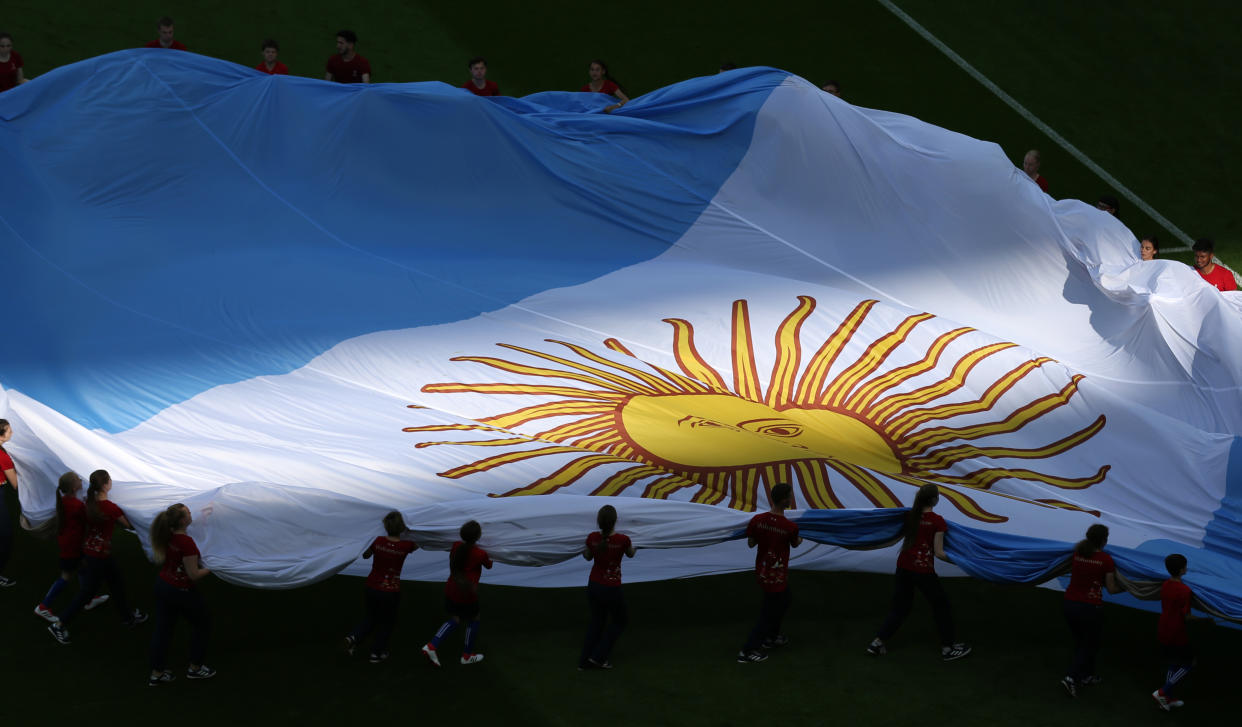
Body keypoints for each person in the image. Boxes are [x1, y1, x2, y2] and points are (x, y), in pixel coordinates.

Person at [867, 484, 971, 662]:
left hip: (904, 567)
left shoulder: (910, 516)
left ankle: (876, 643)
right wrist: (964, 562)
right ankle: (948, 648)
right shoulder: (938, 521)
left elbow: (893, 539)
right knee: (941, 606)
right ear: (934, 500)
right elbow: (939, 553)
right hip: (923, 571)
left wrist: (862, 545)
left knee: (900, 608)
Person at [48, 469, 148, 644]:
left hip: (93, 552)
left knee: (116, 583)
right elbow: (130, 526)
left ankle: (128, 617)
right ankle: (59, 624)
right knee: (88, 593)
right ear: (105, 485)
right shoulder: (110, 508)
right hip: (99, 556)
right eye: (109, 480)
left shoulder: (89, 503)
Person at [148, 503, 214, 686]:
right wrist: (212, 568)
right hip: (180, 590)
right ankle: (195, 668)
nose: (191, 514)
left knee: (163, 630)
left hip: (163, 584)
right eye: (188, 513)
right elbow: (194, 574)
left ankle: (157, 673)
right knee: (202, 623)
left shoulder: (169, 535)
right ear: (183, 520)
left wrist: (205, 516)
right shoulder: (186, 543)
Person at [738, 482, 801, 663]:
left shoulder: (758, 520)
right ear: (783, 500)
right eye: (790, 496)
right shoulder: (790, 527)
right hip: (777, 575)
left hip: (763, 572)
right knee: (769, 612)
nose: (792, 499)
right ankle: (748, 650)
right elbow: (795, 544)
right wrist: (801, 538)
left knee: (785, 600)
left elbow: (751, 543)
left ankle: (772, 636)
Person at [345, 511, 418, 664]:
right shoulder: (406, 545)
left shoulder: (377, 541)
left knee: (371, 616)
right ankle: (376, 653)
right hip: (391, 591)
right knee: (387, 622)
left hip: (371, 586)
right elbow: (420, 542)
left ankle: (354, 637)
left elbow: (366, 555)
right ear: (402, 527)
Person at [34, 472, 109, 621]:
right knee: (66, 576)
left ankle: (89, 598)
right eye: (78, 479)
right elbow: (89, 518)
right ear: (74, 487)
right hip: (72, 546)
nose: (81, 480)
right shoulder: (76, 505)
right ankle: (43, 606)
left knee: (83, 568)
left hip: (69, 543)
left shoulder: (65, 501)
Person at [1059, 523, 1122, 697]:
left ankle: (1087, 676)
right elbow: (1111, 588)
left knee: (1082, 643)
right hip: (1090, 607)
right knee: (1089, 644)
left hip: (1070, 603)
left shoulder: (1077, 553)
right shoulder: (1106, 560)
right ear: (1103, 540)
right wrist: (1129, 588)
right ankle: (1071, 677)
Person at [422, 520, 491, 667]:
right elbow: (489, 565)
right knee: (474, 619)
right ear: (478, 536)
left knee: (456, 618)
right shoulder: (480, 553)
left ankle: (432, 645)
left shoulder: (455, 546)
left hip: (451, 588)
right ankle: (467, 655)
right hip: (467, 593)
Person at [579, 504, 635, 670]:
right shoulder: (623, 540)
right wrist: (638, 546)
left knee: (597, 622)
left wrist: (583, 547)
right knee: (620, 620)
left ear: (599, 521)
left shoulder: (592, 538)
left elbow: (587, 557)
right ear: (615, 521)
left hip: (594, 585)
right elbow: (631, 554)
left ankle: (583, 662)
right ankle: (599, 657)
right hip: (611, 587)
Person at [1152, 553, 1209, 711]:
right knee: (1189, 663)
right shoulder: (1184, 590)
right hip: (1176, 631)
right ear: (1182, 568)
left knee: (1173, 661)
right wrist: (1204, 620)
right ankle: (1162, 691)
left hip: (1163, 627)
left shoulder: (1165, 584)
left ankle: (1167, 699)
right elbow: (1187, 617)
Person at [0, 419, 18, 586]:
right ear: (2, 434)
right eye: (9, 430)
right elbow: (16, 484)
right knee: (5, 536)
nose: (11, 433)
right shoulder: (3, 457)